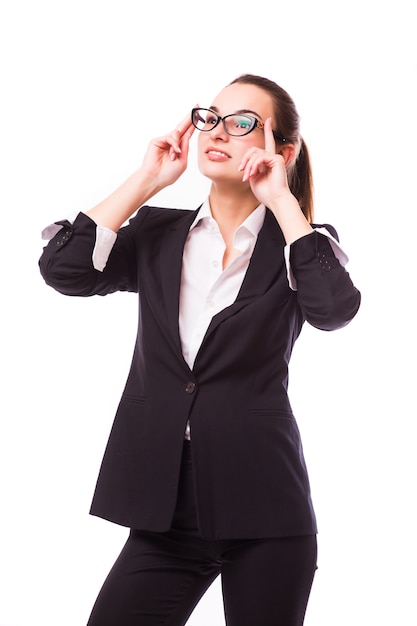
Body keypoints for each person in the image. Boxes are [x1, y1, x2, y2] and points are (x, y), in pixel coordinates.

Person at [39, 73, 361, 626]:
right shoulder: (158, 236)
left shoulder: (302, 245)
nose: (219, 131)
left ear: (280, 150)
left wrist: (282, 201)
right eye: (211, 117)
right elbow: (64, 270)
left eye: (243, 124)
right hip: (165, 510)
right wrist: (146, 180)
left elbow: (333, 309)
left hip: (266, 510)